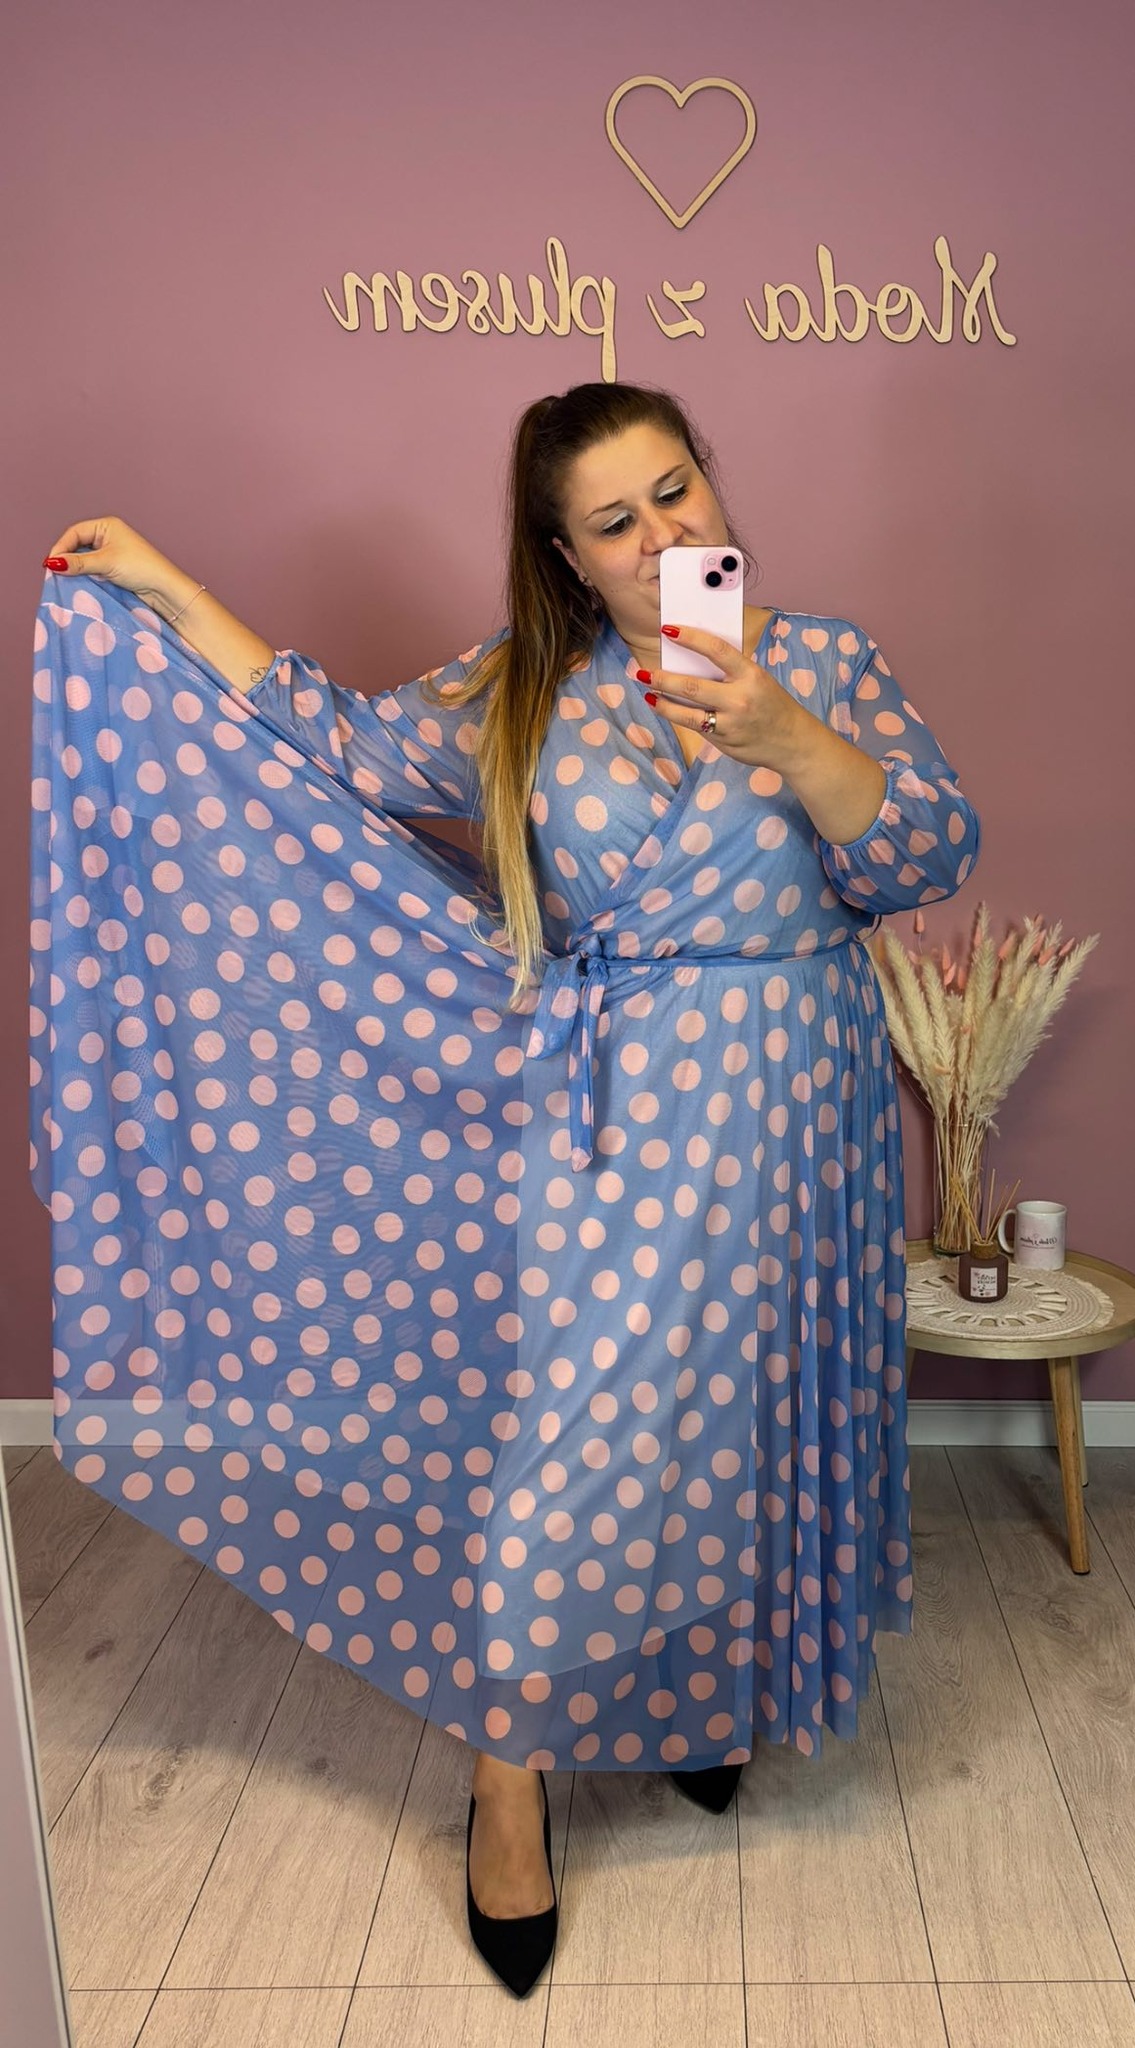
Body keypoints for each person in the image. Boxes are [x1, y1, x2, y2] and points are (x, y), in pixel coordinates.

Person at [34, 381, 980, 1999]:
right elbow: (327, 737)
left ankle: (704, 1700)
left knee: (755, 1416)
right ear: (567, 555)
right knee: (589, 1442)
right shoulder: (523, 691)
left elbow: (929, 854)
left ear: (710, 482)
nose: (663, 535)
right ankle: (508, 1775)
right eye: (616, 522)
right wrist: (163, 586)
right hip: (621, 1117)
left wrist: (788, 738)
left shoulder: (823, 663)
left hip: (808, 1110)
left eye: (675, 491)